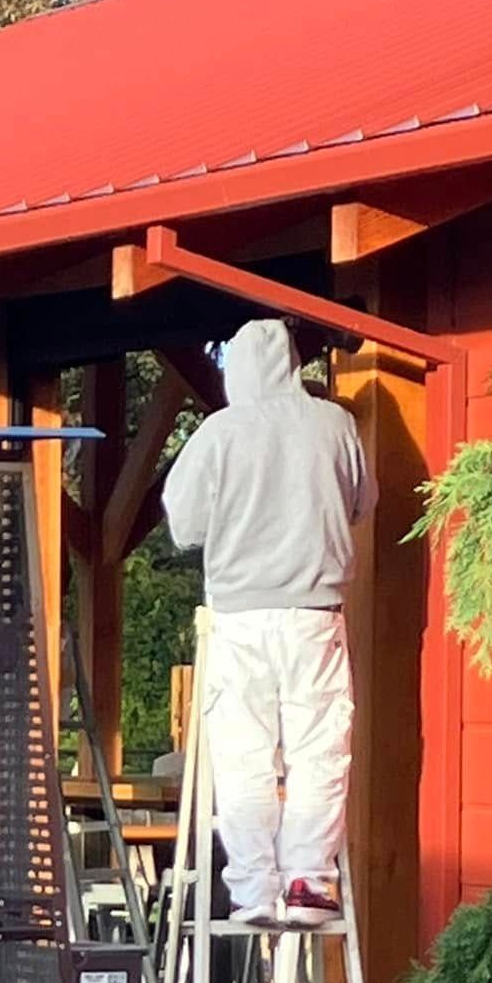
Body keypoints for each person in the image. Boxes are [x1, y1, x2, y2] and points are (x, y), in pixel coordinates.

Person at [162, 316, 376, 927]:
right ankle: (310, 879)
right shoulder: (335, 425)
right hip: (315, 614)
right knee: (319, 750)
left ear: (237, 370)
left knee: (244, 755)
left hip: (240, 618)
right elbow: (363, 503)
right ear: (291, 365)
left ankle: (254, 890)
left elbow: (184, 526)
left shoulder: (219, 433)